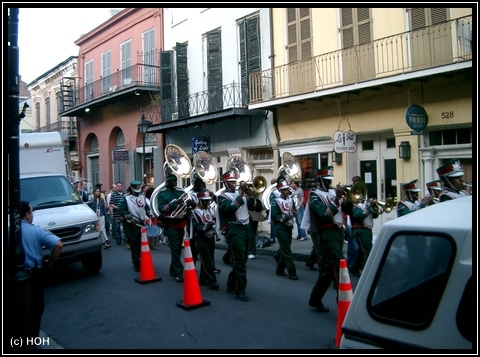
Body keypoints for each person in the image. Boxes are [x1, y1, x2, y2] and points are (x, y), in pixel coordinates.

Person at [302, 166, 345, 312]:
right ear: (320, 179)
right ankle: (343, 304)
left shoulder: (332, 192)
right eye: (326, 180)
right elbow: (324, 215)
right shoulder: (314, 195)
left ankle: (315, 299)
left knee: (328, 270)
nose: (329, 183)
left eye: (330, 180)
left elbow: (346, 211)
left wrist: (349, 199)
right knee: (339, 266)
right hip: (326, 233)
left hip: (338, 232)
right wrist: (337, 199)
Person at [20, 200, 63, 340]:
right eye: (31, 211)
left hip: (17, 275)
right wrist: (50, 264)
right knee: (36, 307)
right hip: (33, 273)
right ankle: (33, 338)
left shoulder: (11, 229)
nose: (32, 215)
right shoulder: (35, 230)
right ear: (27, 215)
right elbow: (58, 244)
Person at [217, 170, 263, 301]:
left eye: (234, 182)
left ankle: (230, 284)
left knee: (242, 259)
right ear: (225, 183)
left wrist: (254, 195)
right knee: (239, 261)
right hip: (233, 228)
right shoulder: (222, 196)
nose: (233, 184)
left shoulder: (240, 193)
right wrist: (242, 193)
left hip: (246, 227)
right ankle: (240, 289)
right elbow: (230, 209)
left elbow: (255, 208)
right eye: (230, 182)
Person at [156, 173, 195, 282]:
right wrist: (174, 204)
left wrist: (192, 204)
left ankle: (173, 268)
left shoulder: (181, 192)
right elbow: (162, 209)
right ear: (167, 183)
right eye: (172, 182)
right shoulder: (162, 194)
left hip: (180, 222)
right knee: (175, 247)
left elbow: (187, 207)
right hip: (170, 223)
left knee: (177, 247)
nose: (174, 183)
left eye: (175, 181)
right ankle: (179, 271)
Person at [118, 180, 151, 272]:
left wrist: (149, 213)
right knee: (134, 243)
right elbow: (121, 209)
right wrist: (129, 218)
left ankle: (142, 260)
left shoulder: (142, 197)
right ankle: (136, 262)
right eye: (136, 187)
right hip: (131, 224)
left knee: (142, 243)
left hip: (141, 222)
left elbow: (146, 207)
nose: (137, 189)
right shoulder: (125, 198)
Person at [191, 189, 220, 290]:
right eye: (205, 201)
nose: (208, 202)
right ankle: (212, 281)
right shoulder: (195, 212)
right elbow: (198, 228)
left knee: (210, 258)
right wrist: (208, 225)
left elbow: (214, 219)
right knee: (207, 260)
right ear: (200, 201)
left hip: (210, 237)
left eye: (208, 200)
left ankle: (203, 279)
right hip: (200, 238)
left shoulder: (210, 209)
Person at [271, 180, 299, 280]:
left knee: (285, 248)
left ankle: (279, 268)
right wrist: (287, 216)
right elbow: (276, 217)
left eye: (287, 189)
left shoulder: (290, 200)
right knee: (287, 250)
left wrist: (295, 211)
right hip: (281, 227)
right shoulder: (276, 202)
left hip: (289, 226)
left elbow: (294, 210)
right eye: (285, 190)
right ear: (280, 191)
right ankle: (292, 272)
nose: (287, 191)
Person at [348, 194, 379, 276]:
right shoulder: (355, 205)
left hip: (367, 230)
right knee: (368, 251)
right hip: (360, 230)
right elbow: (359, 215)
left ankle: (354, 268)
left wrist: (375, 207)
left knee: (361, 252)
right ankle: (370, 272)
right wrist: (369, 207)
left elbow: (375, 216)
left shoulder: (366, 205)